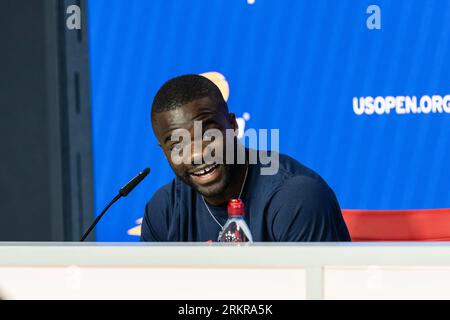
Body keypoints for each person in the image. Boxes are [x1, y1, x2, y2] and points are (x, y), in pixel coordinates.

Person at [140, 74, 351, 242]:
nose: (196, 154)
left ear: (232, 126)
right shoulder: (164, 209)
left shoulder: (295, 198)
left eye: (208, 135)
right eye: (178, 144)